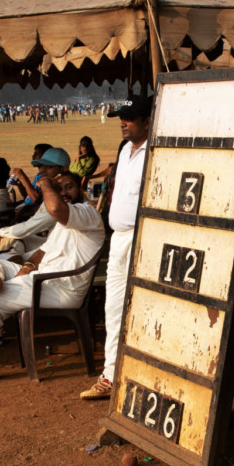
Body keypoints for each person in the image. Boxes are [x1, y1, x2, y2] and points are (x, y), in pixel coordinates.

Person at [0, 170, 105, 385]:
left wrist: (47, 183)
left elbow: (55, 208)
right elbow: (43, 251)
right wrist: (27, 265)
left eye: (69, 187)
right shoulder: (64, 222)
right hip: (42, 277)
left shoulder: (87, 213)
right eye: (59, 189)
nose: (63, 193)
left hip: (60, 288)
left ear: (81, 190)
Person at [81, 96, 152, 401]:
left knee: (143, 308)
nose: (123, 123)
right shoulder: (125, 150)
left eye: (130, 118)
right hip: (120, 237)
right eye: (122, 117)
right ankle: (111, 374)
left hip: (143, 237)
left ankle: (144, 374)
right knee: (113, 308)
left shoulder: (156, 150)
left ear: (147, 121)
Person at [0, 146, 70, 258]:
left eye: (49, 167)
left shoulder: (61, 195)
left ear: (64, 169)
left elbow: (30, 226)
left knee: (1, 258)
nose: (42, 170)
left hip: (60, 253)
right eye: (42, 166)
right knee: (16, 241)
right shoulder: (53, 190)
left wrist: (0, 232)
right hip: (55, 243)